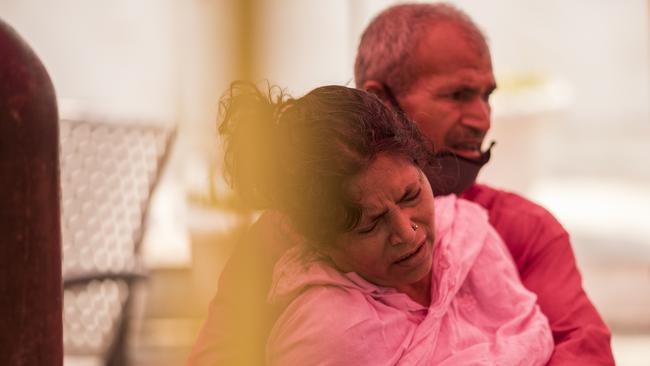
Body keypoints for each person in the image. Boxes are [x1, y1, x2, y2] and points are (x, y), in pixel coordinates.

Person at [188, 3, 614, 365]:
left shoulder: (520, 229)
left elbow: (584, 351)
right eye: (457, 95)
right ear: (383, 100)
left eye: (486, 96)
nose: (482, 119)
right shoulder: (281, 246)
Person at [220, 82, 553, 365]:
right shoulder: (327, 336)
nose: (407, 233)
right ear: (321, 242)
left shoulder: (469, 239)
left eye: (411, 195)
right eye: (371, 224)